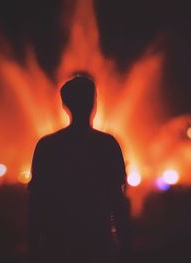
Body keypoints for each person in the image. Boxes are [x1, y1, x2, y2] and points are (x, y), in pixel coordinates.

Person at [27, 74, 130, 263]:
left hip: (57, 242)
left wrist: (34, 246)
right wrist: (124, 244)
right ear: (94, 104)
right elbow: (117, 199)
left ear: (65, 105)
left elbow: (36, 200)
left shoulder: (47, 146)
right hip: (97, 241)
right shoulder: (107, 144)